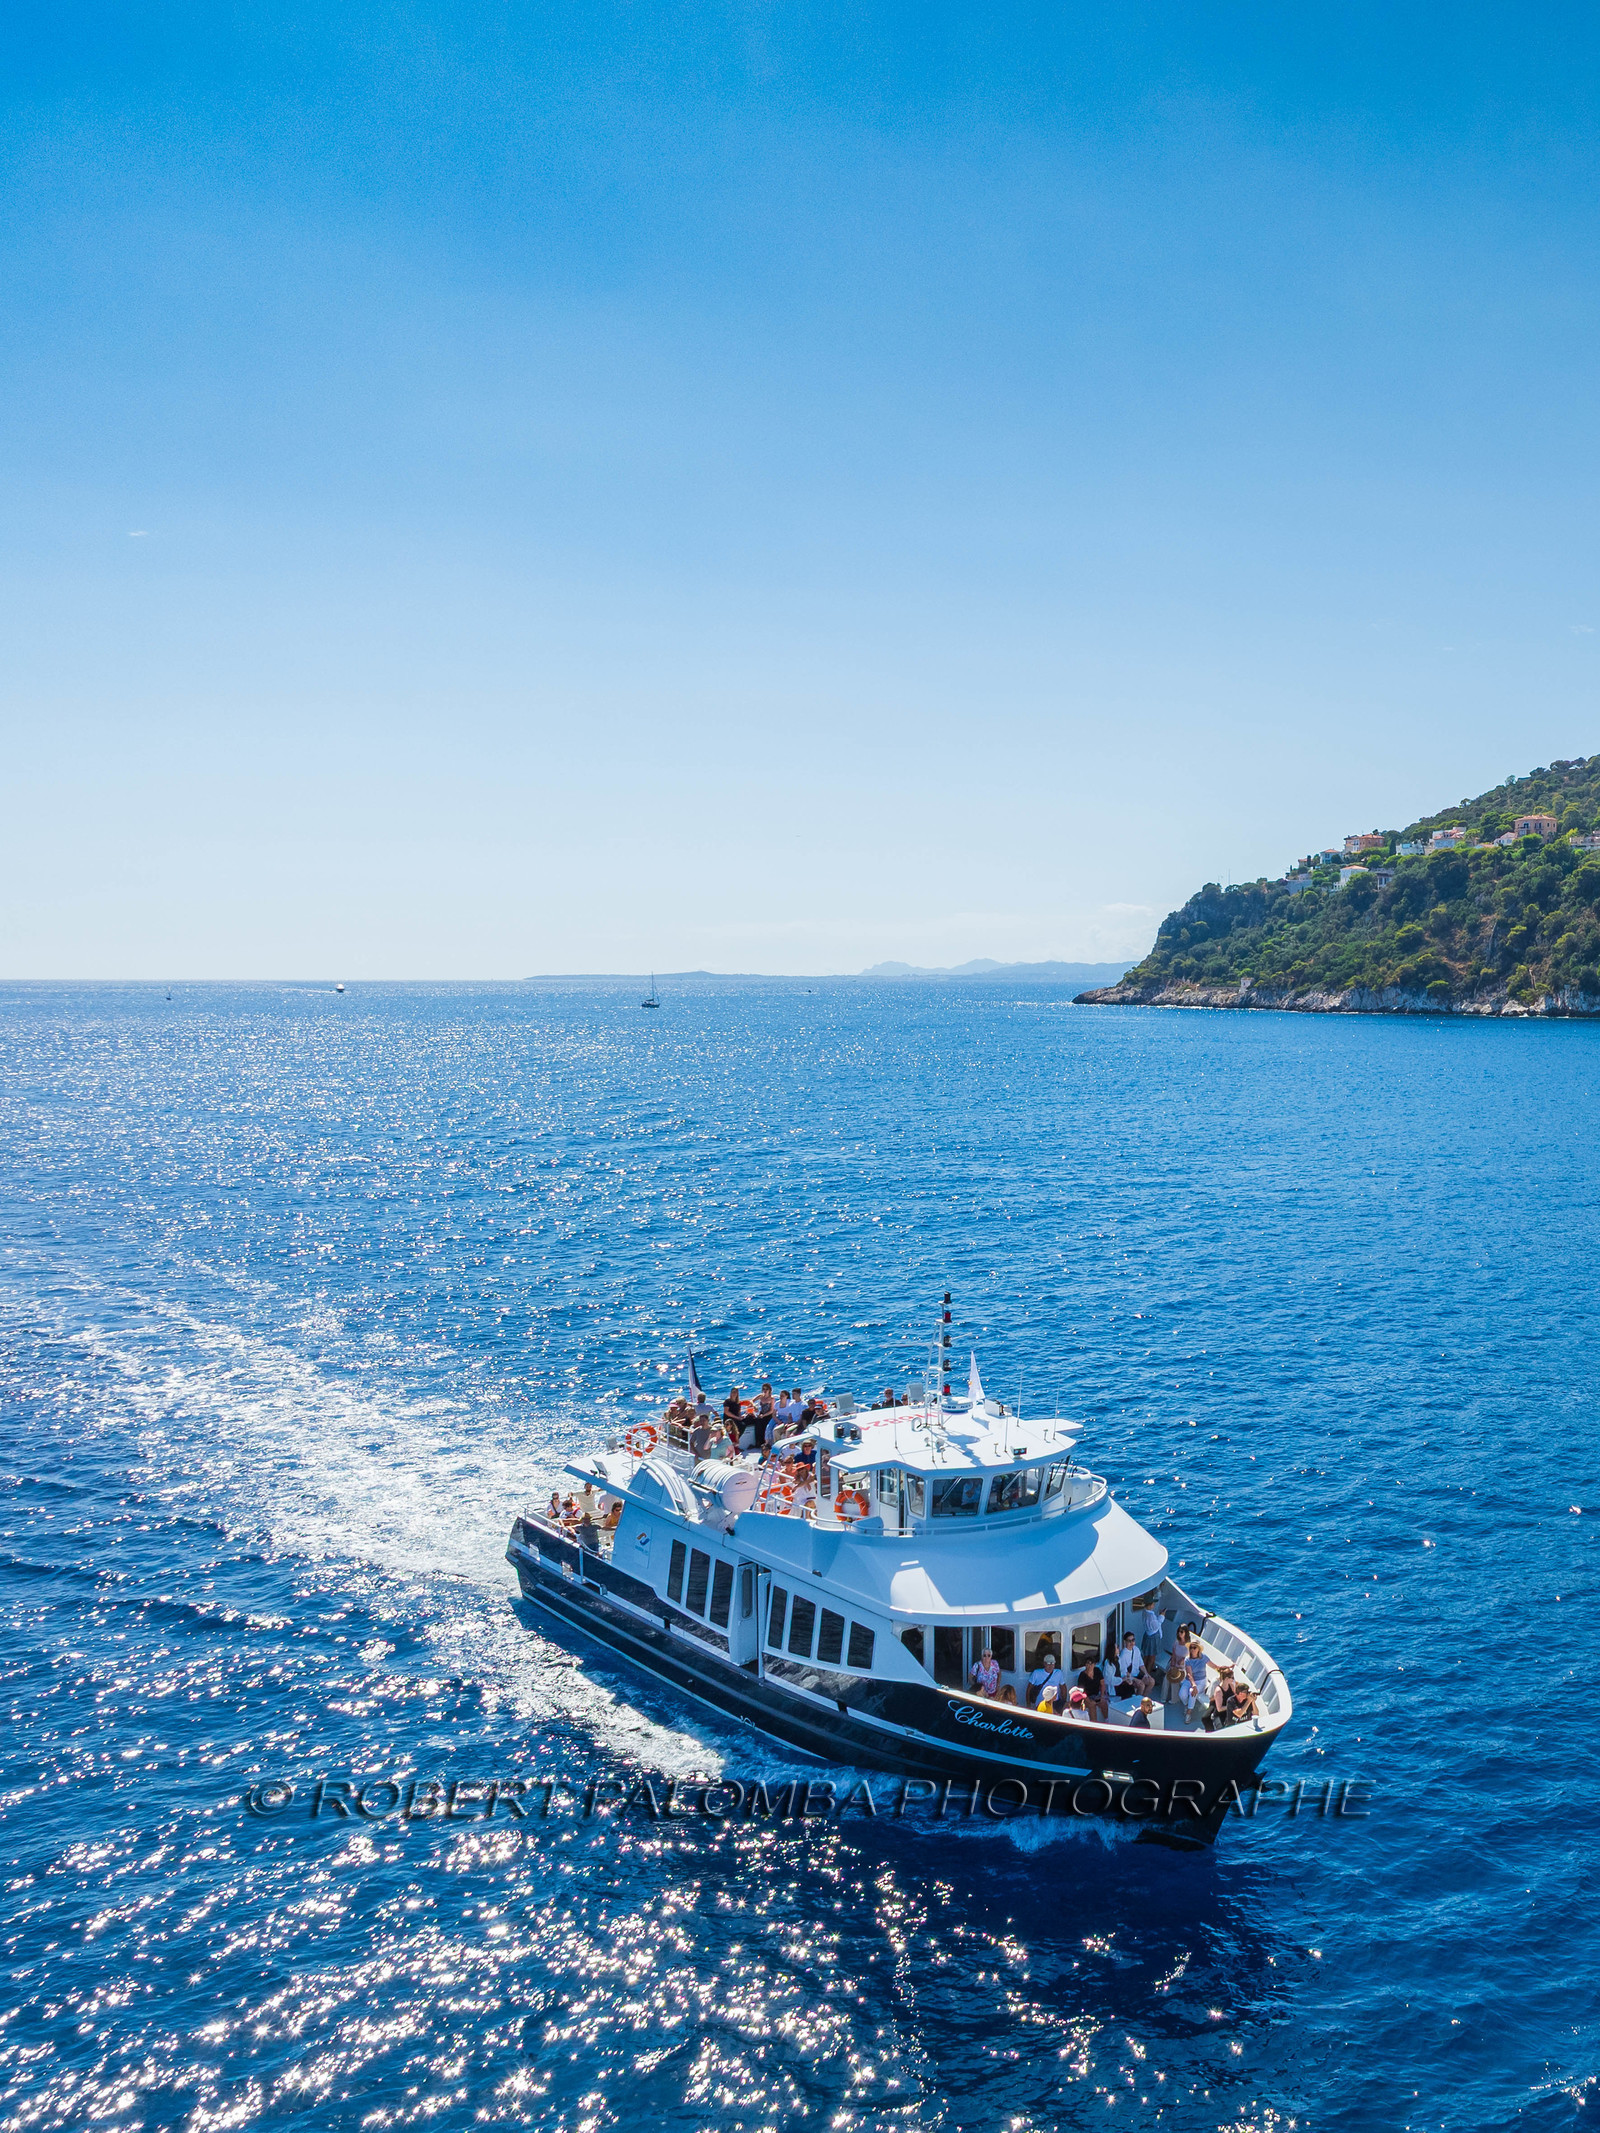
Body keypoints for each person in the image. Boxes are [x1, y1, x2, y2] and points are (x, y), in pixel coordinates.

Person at [1077, 1654, 1110, 1723]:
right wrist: (1088, 1700)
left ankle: (1107, 1721)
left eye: (1091, 1664)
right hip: (1086, 1697)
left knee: (1103, 1703)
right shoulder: (1082, 1675)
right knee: (1092, 1705)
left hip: (1096, 1695)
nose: (1089, 1666)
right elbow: (1081, 1692)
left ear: (1094, 1664)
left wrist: (1102, 1696)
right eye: (1087, 1663)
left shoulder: (1097, 1671)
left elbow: (1102, 1684)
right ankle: (1094, 1724)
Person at [1164, 1632, 1188, 1705]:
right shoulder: (1176, 1643)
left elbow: (1189, 1657)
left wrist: (1183, 1660)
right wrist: (1172, 1666)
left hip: (1184, 1666)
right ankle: (1163, 1697)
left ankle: (1174, 1699)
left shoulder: (1189, 1644)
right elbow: (1173, 1656)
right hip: (1175, 1664)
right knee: (1166, 1677)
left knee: (1175, 1678)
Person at [1141, 1601, 1166, 1665]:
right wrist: (1161, 1616)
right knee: (1152, 1657)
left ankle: (1143, 1672)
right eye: (1153, 1604)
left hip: (1147, 1635)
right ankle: (1148, 1673)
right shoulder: (1151, 1616)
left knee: (1146, 1655)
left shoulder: (1144, 1612)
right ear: (1149, 1605)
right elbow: (1156, 1626)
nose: (1154, 1605)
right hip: (1153, 1637)